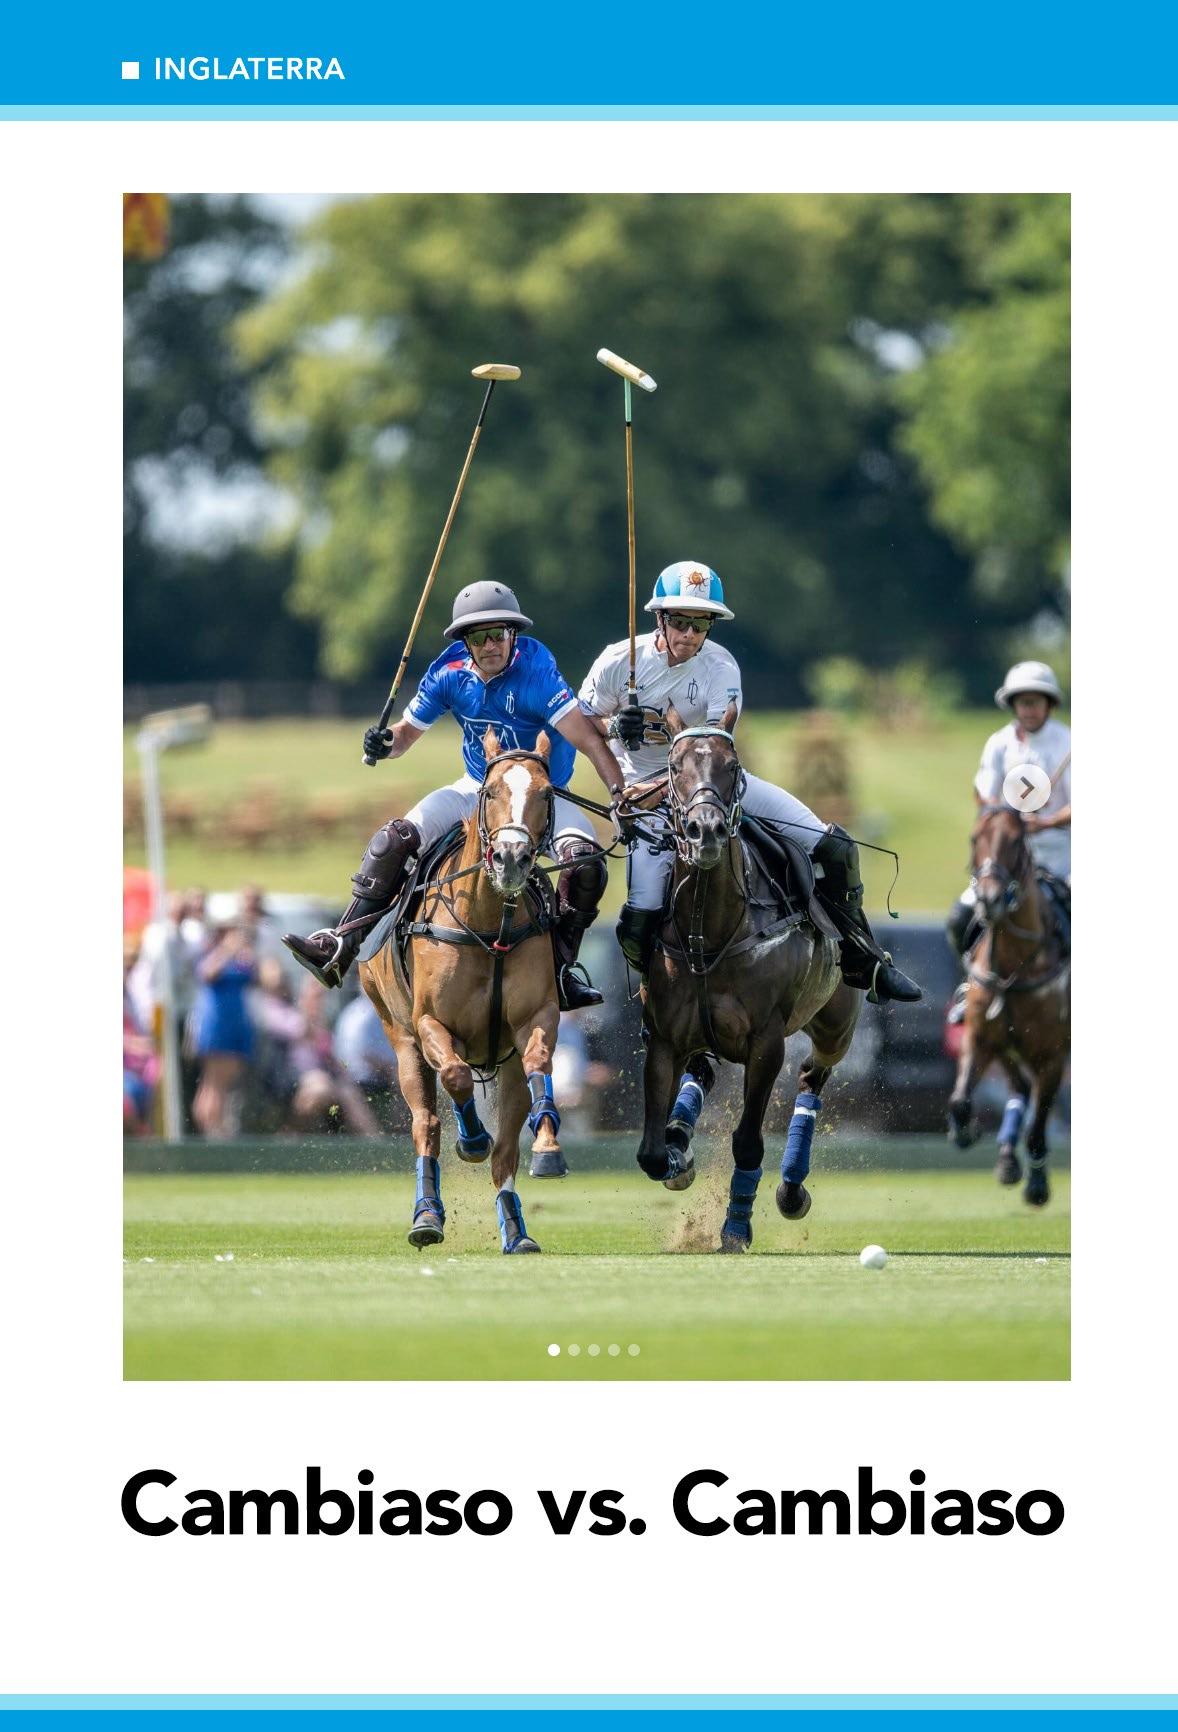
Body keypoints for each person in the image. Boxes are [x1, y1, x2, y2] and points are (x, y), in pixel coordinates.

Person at [578, 561, 921, 1003]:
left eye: (701, 624)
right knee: (640, 912)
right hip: (645, 795)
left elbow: (715, 746)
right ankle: (656, 1001)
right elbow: (582, 724)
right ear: (659, 618)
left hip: (711, 785)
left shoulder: (720, 666)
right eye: (680, 622)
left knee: (835, 847)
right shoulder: (618, 660)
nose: (689, 635)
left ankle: (864, 959)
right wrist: (612, 728)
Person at [283, 581, 625, 1010]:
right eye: (479, 638)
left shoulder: (537, 671)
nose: (490, 645)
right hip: (479, 788)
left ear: (513, 634)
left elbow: (589, 740)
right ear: (465, 642)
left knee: (587, 866)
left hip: (543, 794)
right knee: (394, 838)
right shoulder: (448, 673)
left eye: (498, 634)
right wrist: (384, 743)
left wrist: (620, 795)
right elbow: (405, 736)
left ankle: (560, 967)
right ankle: (341, 944)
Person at [947, 658, 1071, 978]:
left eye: (1035, 702)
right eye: (1022, 702)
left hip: (1062, 861)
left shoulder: (1067, 743)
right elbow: (985, 796)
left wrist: (1045, 822)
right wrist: (1009, 818)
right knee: (961, 918)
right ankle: (969, 986)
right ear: (1013, 705)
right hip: (1008, 861)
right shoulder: (999, 743)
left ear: (1049, 704)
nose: (1028, 709)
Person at [191, 923, 256, 1138]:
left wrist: (243, 953)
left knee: (224, 1081)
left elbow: (254, 976)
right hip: (217, 1025)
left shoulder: (239, 959)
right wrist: (226, 950)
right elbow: (207, 973)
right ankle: (212, 1130)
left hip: (235, 1025)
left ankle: (216, 1128)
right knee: (213, 1082)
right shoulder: (212, 954)